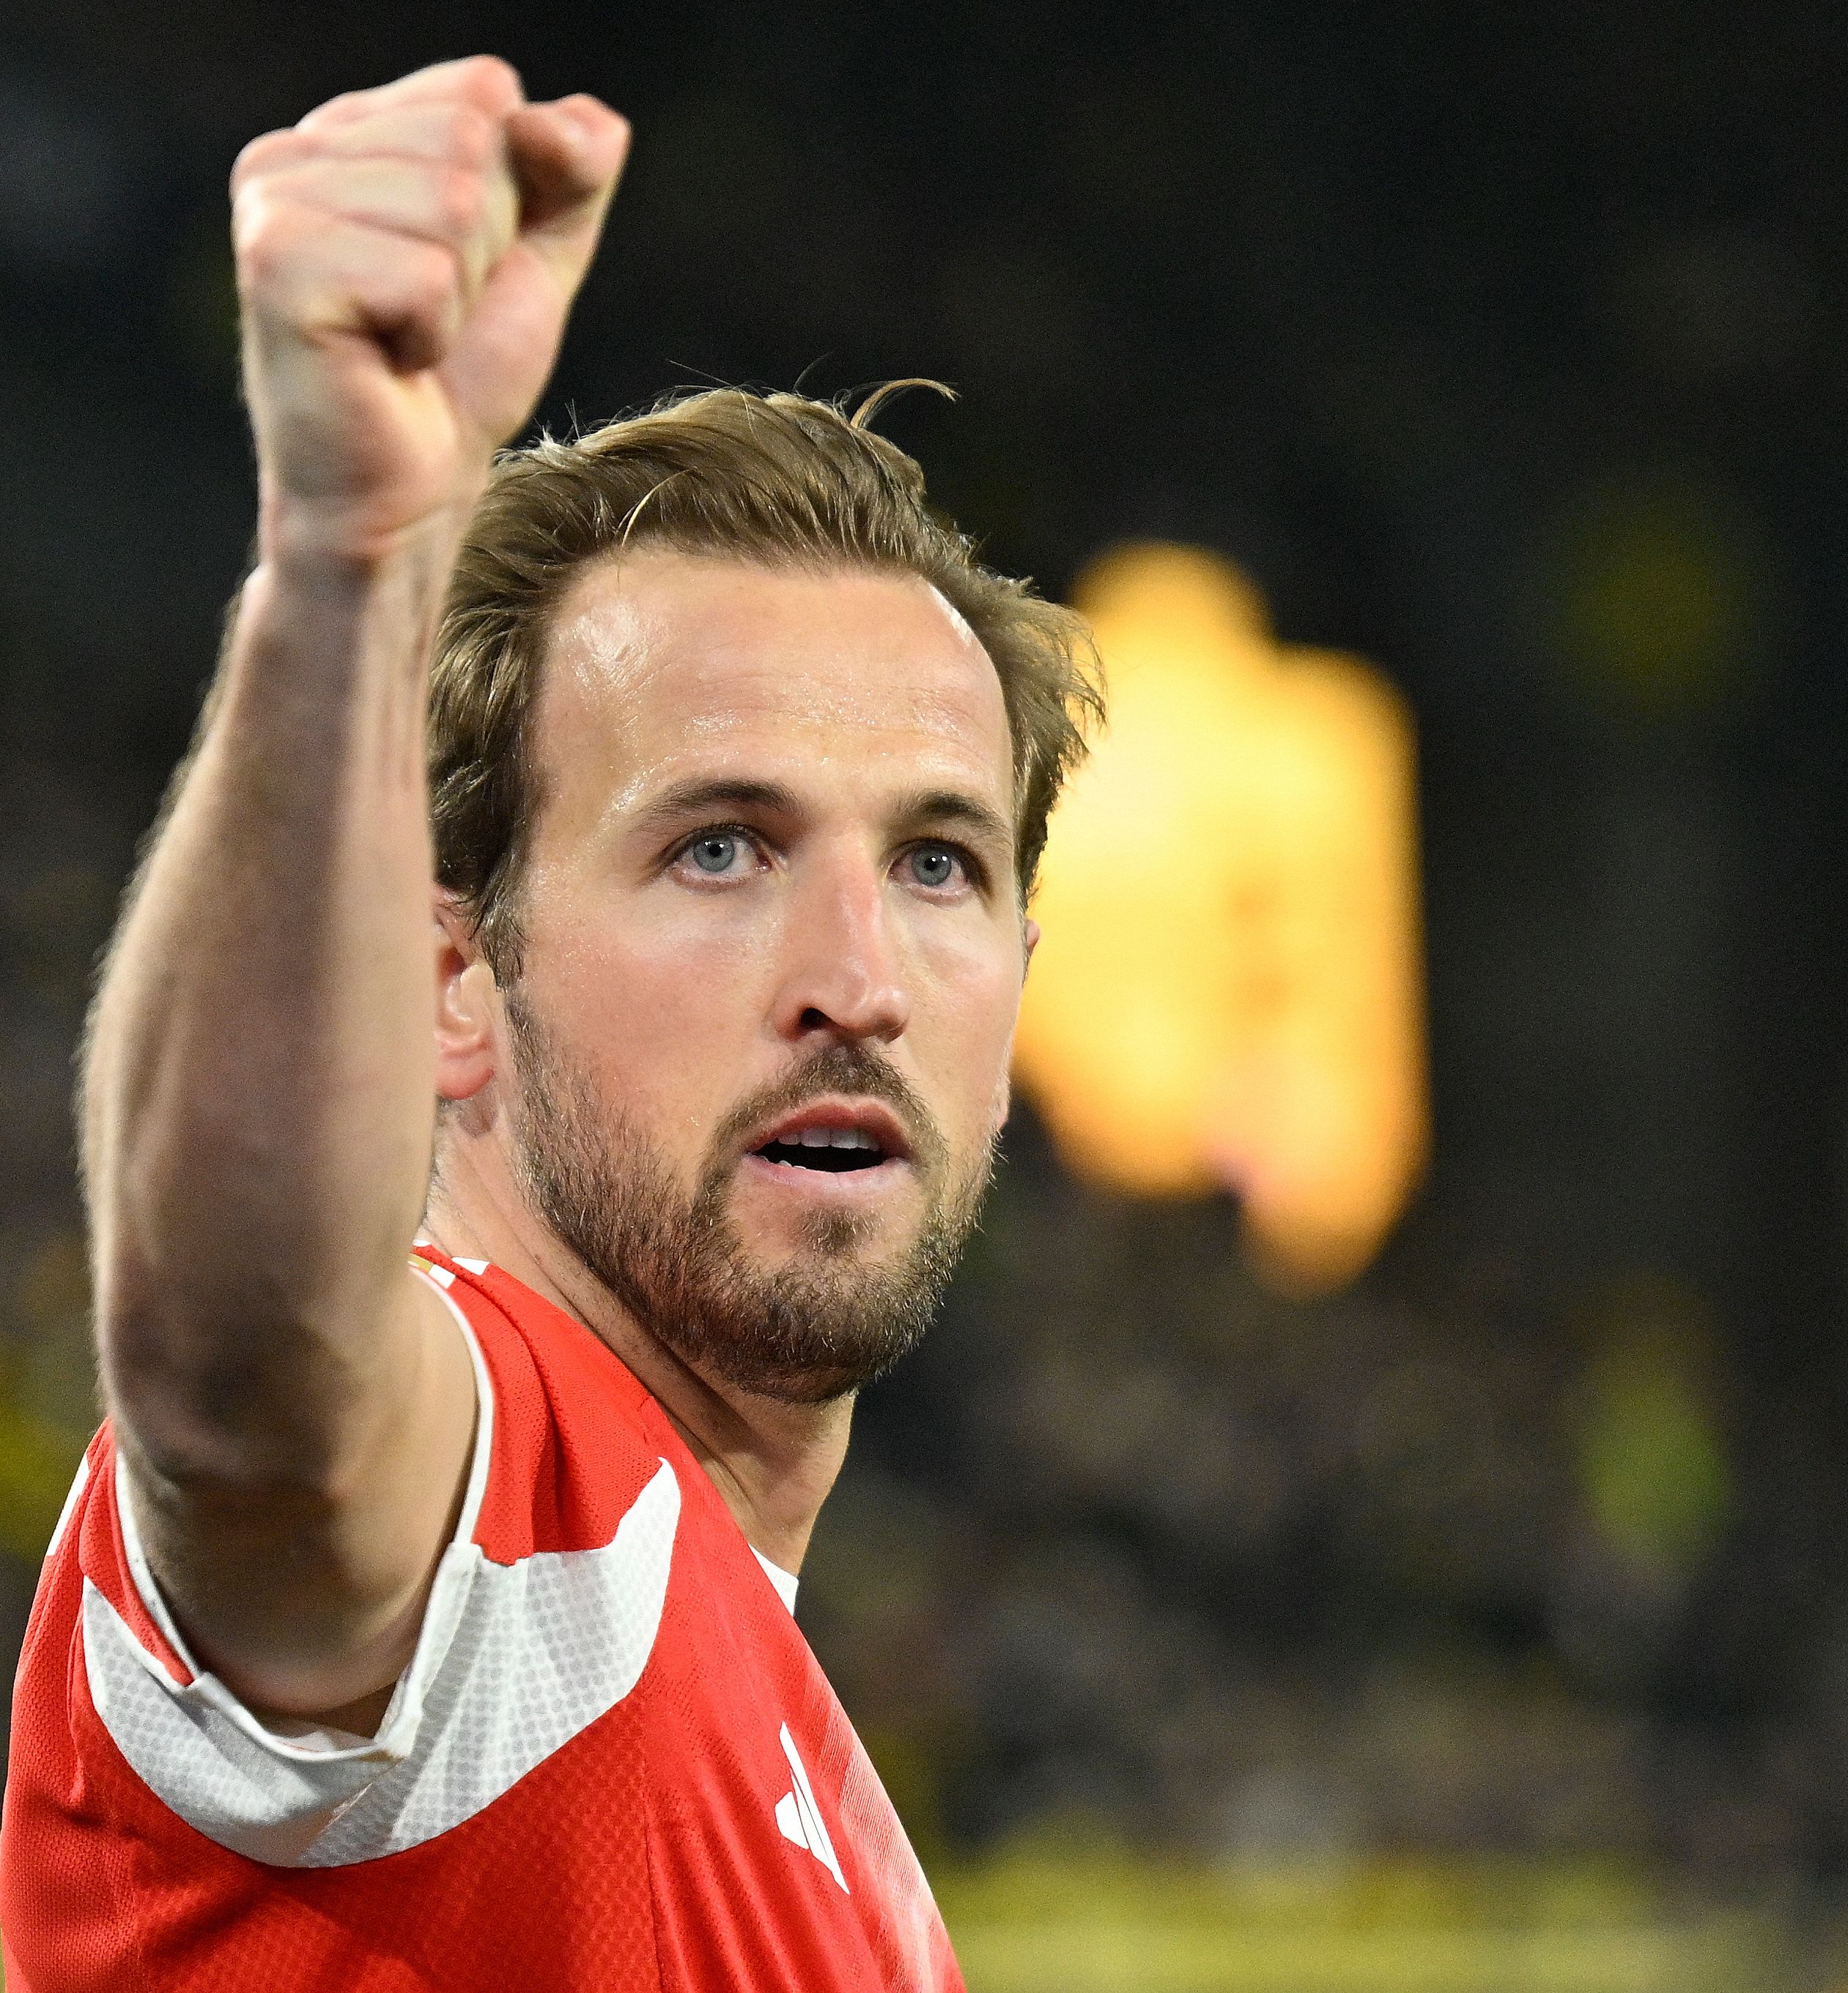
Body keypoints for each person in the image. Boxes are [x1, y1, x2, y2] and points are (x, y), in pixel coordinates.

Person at [0, 54, 1101, 1992]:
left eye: (937, 864)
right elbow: (247, 1378)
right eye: (718, 850)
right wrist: (348, 568)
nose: (856, 977)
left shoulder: (785, 1743)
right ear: (447, 979)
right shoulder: (487, 1530)